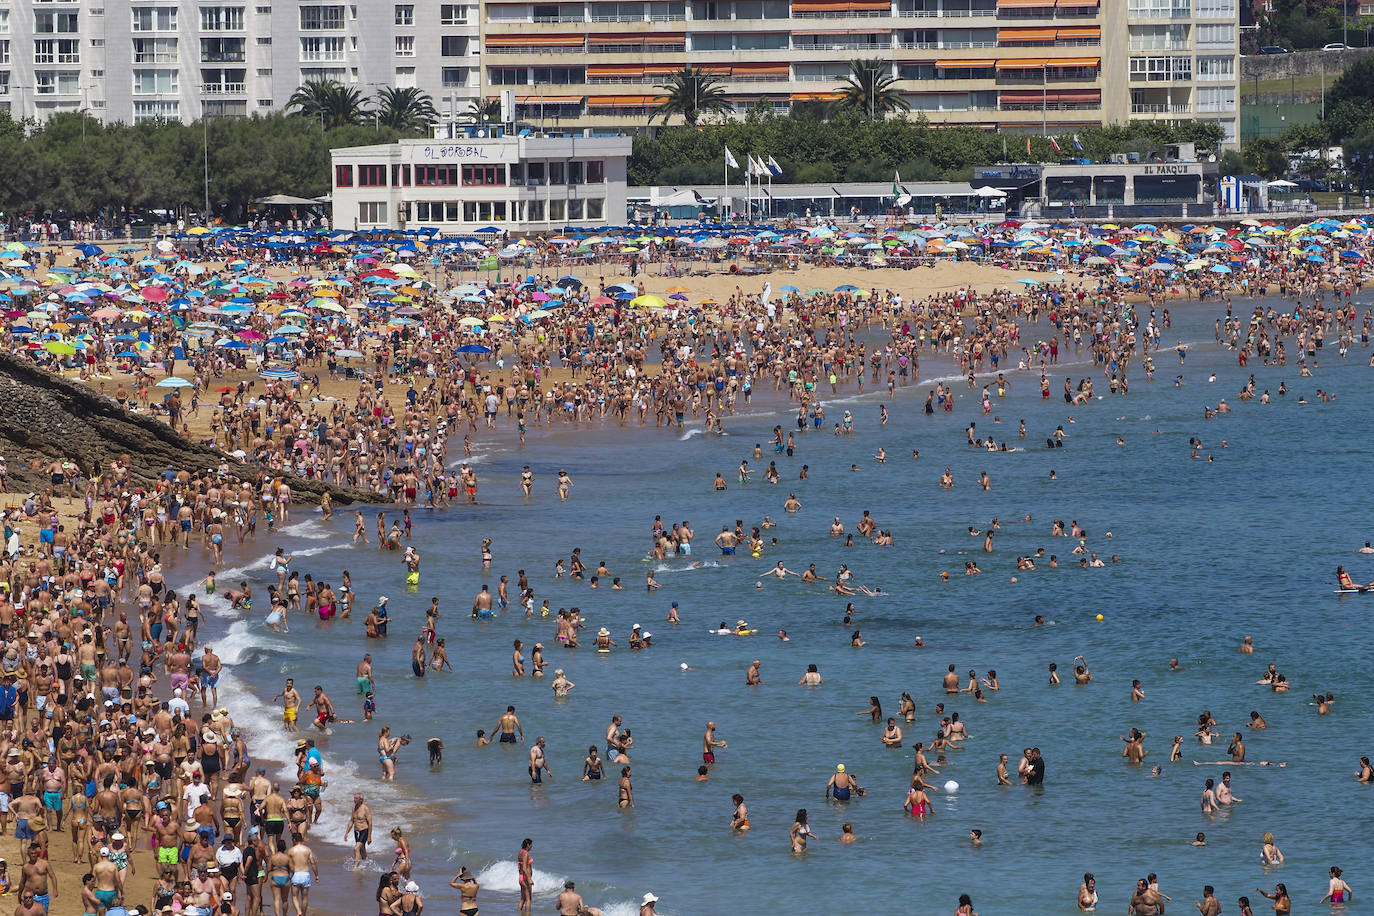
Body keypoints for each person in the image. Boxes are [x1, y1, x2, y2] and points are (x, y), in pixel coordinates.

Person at [517, 839, 533, 914]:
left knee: (522, 899)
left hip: (521, 877)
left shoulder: (521, 852)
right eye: (531, 845)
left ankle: (519, 913)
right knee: (528, 899)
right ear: (528, 845)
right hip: (525, 878)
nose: (532, 847)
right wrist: (529, 879)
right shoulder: (526, 853)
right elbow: (524, 867)